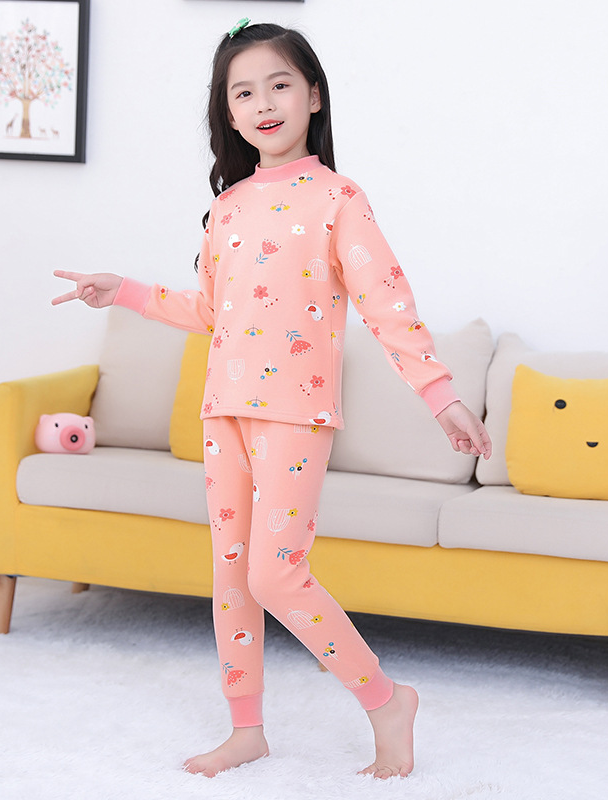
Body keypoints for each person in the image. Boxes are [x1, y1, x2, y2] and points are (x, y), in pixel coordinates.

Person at [52, 19, 492, 780]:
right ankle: (246, 729)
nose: (263, 104)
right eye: (244, 92)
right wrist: (122, 289)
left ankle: (387, 701)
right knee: (231, 576)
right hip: (223, 407)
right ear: (227, 113)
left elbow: (387, 301)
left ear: (313, 96)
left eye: (279, 85)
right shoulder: (228, 207)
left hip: (295, 411)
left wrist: (441, 394)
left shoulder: (338, 199)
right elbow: (210, 310)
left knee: (275, 573)